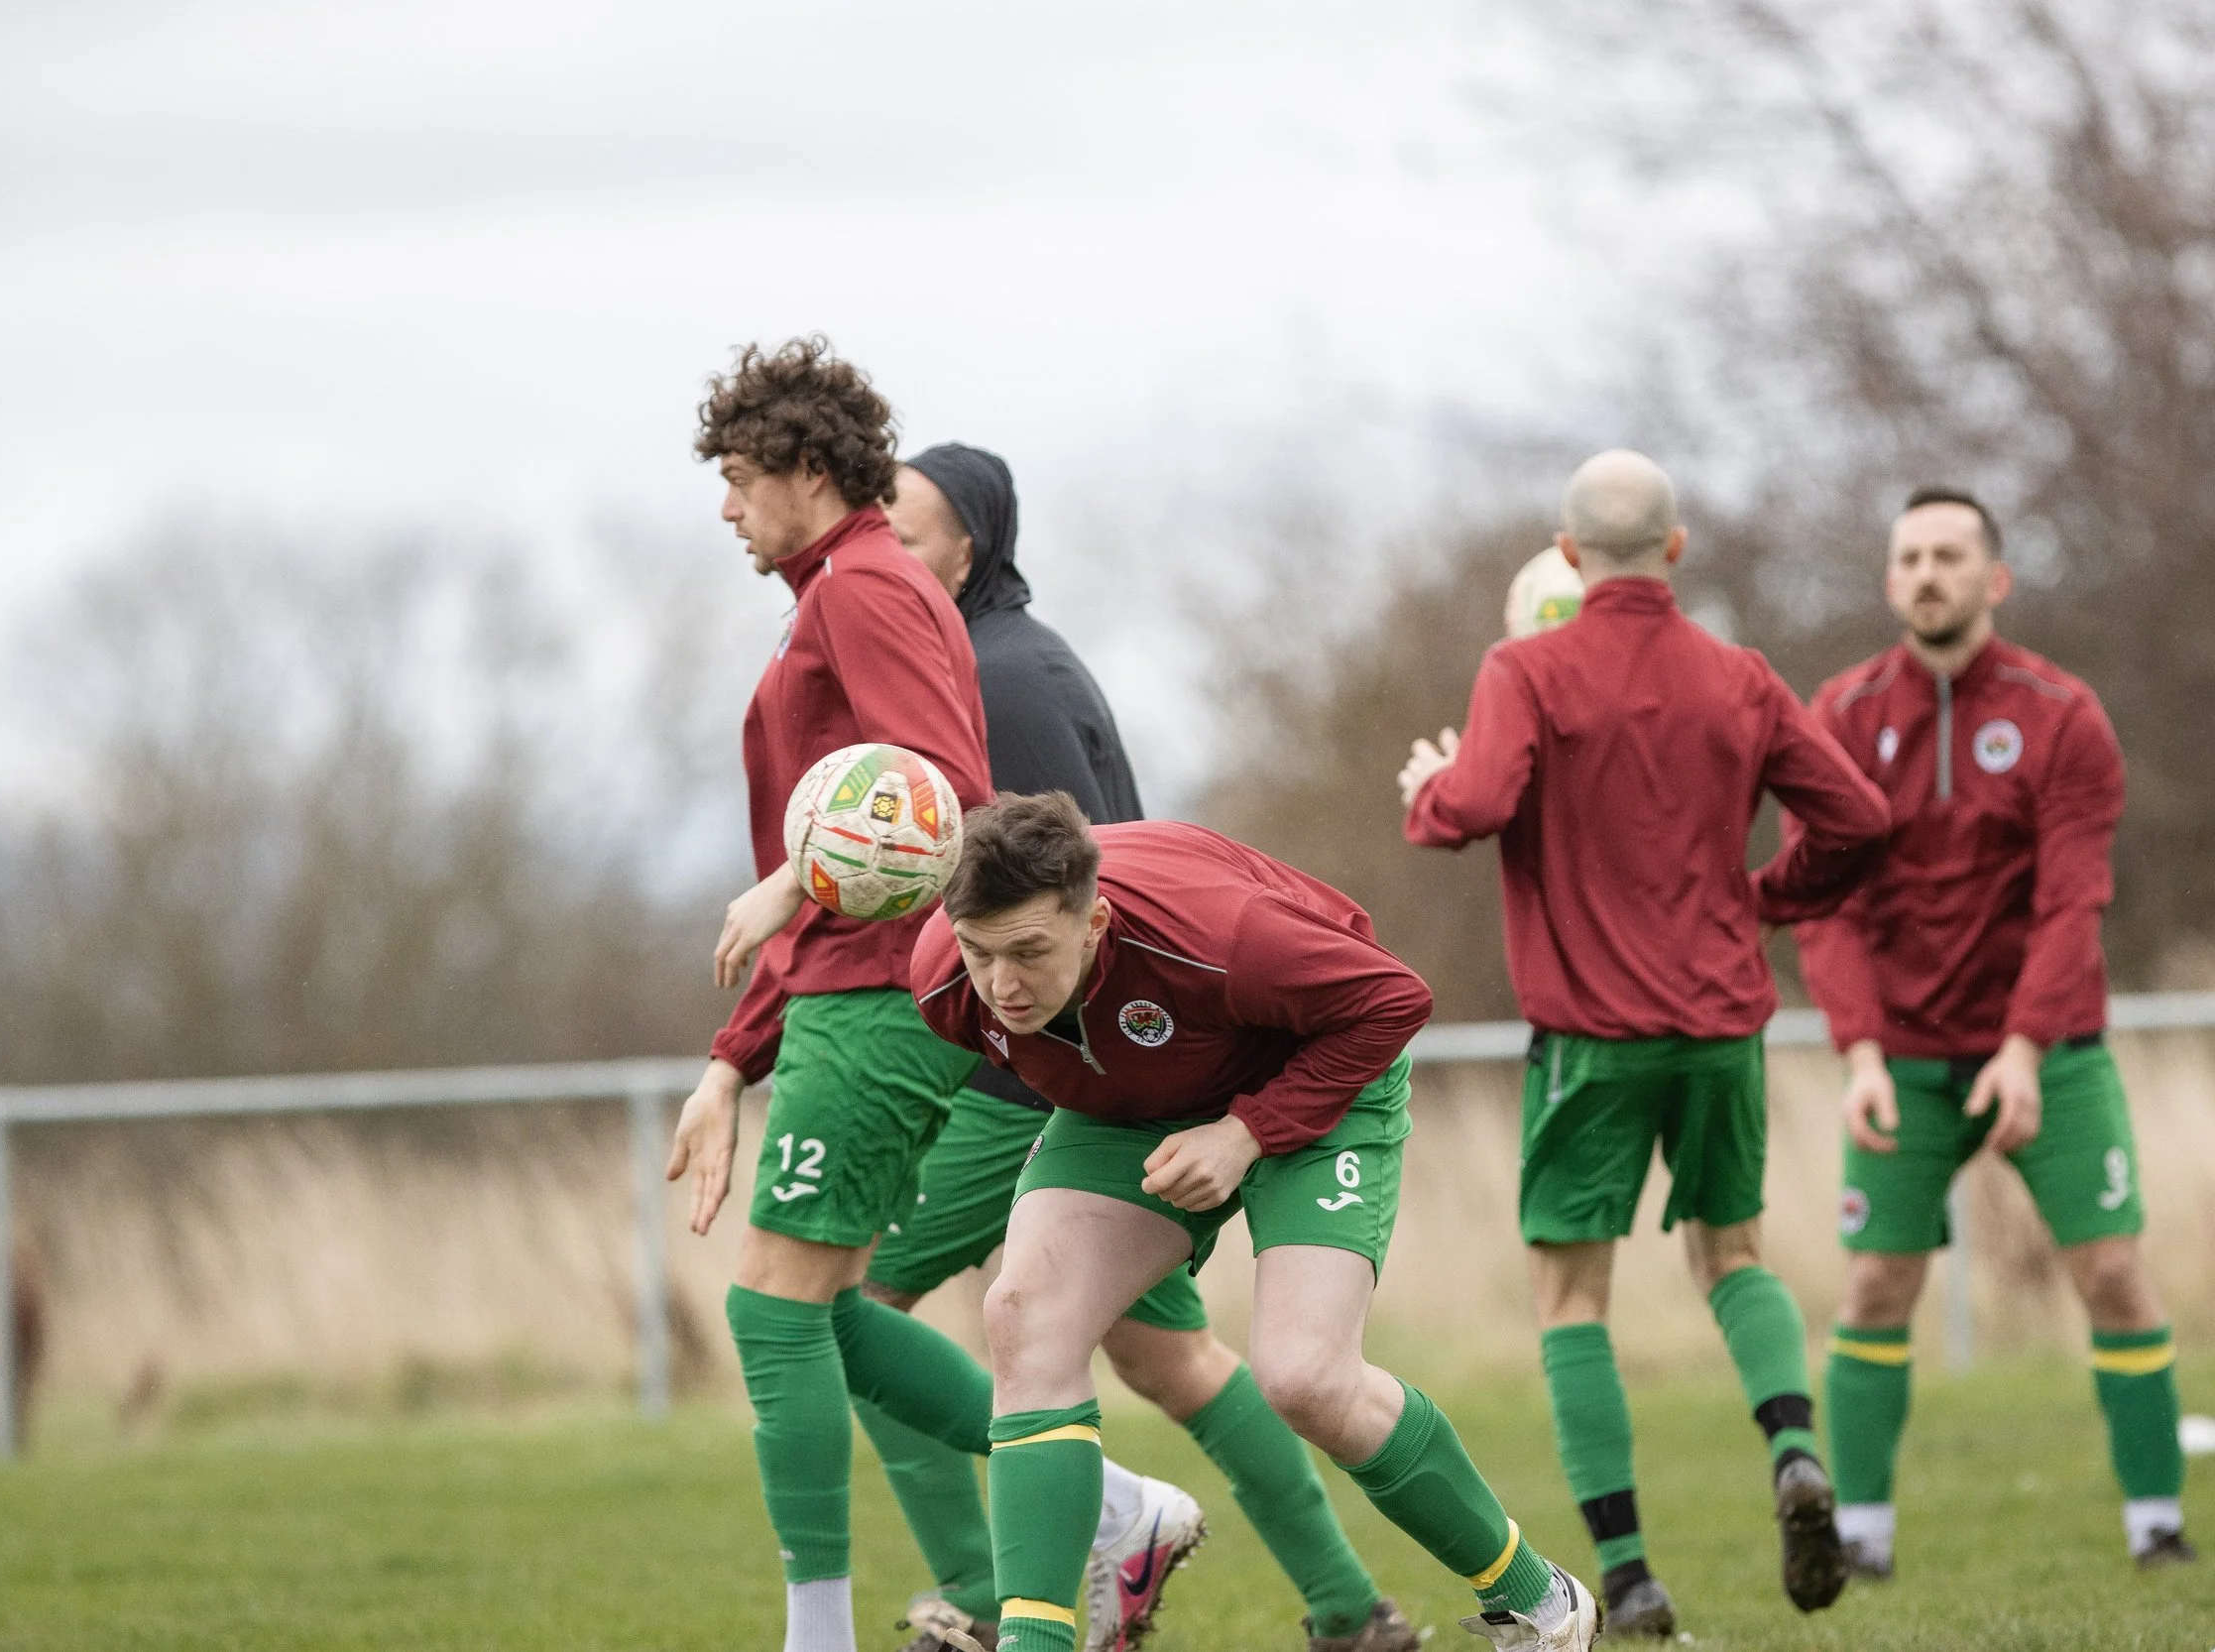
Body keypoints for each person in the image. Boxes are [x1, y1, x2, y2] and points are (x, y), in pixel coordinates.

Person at [862, 443, 1421, 1652]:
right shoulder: (998, 654)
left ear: (972, 543)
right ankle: (1346, 1606)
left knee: (852, 1303)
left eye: (903, 531)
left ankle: (985, 1585)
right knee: (1167, 1358)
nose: (880, 552)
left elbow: (1073, 884)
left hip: (1065, 1070)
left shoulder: (997, 676)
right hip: (1104, 1058)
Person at [910, 796, 1605, 1652]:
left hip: (1311, 1076)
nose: (1001, 984)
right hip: (1135, 1112)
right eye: (981, 953)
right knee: (1024, 1317)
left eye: (1028, 953)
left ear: (1095, 922)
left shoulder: (1220, 936)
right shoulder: (947, 980)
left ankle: (1540, 1603)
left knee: (1306, 1377)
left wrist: (1247, 1134)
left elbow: (1391, 1001)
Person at [1398, 450, 1891, 1635]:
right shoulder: (1742, 675)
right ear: (1674, 549)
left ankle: (1626, 1577)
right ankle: (1793, 1454)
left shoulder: (1525, 666)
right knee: (1734, 1255)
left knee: (1571, 1298)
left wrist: (1427, 785)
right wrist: (1766, 896)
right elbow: (1863, 822)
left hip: (1591, 1038)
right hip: (1723, 1027)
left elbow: (1470, 809)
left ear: (1567, 555)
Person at [659, 337, 1007, 1652]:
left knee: (771, 1307)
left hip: (880, 994)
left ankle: (820, 1629)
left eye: (743, 477)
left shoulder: (865, 589)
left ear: (811, 470)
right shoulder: (838, 592)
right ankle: (1103, 1510)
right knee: (833, 1313)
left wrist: (792, 881)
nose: (728, 507)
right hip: (843, 992)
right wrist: (728, 1061)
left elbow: (942, 788)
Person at [1793, 487, 2191, 1578]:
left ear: (1994, 579)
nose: (1928, 572)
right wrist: (1860, 1051)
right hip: (1903, 1063)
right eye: (1910, 556)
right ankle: (1860, 1542)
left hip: (2047, 1051)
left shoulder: (2063, 715)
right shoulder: (1839, 715)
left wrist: (2023, 1049)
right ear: (1889, 580)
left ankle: (2156, 1520)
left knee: (2110, 1268)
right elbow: (1824, 901)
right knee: (1875, 1288)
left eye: (1950, 555)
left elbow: (2071, 901)